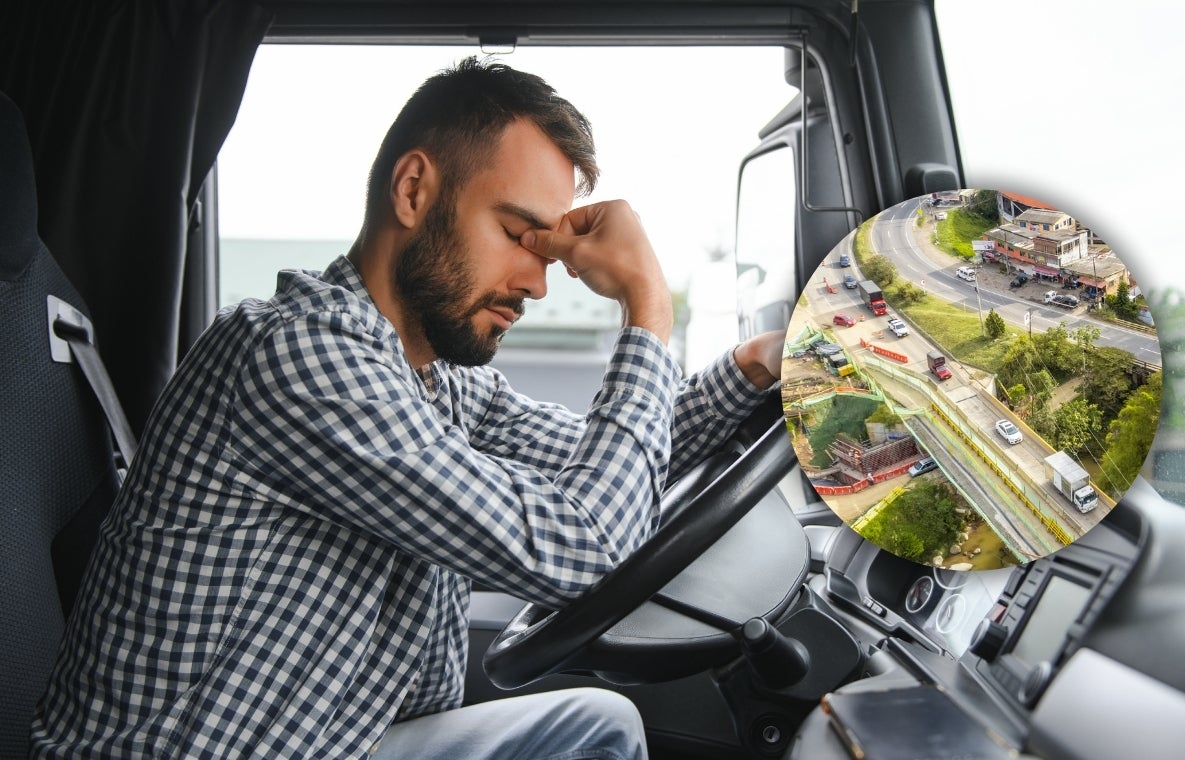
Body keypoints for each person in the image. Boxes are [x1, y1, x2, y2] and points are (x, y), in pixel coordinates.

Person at [31, 57, 782, 759]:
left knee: (597, 725)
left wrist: (753, 370)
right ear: (414, 191)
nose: (538, 282)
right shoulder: (299, 358)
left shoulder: (430, 377)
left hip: (339, 741)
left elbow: (608, 459)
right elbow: (585, 548)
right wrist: (646, 308)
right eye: (520, 235)